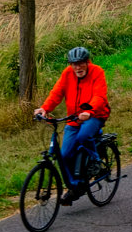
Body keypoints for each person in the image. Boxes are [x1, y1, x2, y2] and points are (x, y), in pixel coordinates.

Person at [33, 46, 110, 205]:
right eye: (74, 63)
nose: (77, 67)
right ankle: (76, 186)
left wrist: (89, 111)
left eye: (81, 63)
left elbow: (99, 96)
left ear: (87, 62)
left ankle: (95, 161)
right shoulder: (67, 73)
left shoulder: (97, 72)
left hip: (95, 115)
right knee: (66, 154)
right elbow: (57, 93)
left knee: (83, 136)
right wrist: (45, 108)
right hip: (74, 118)